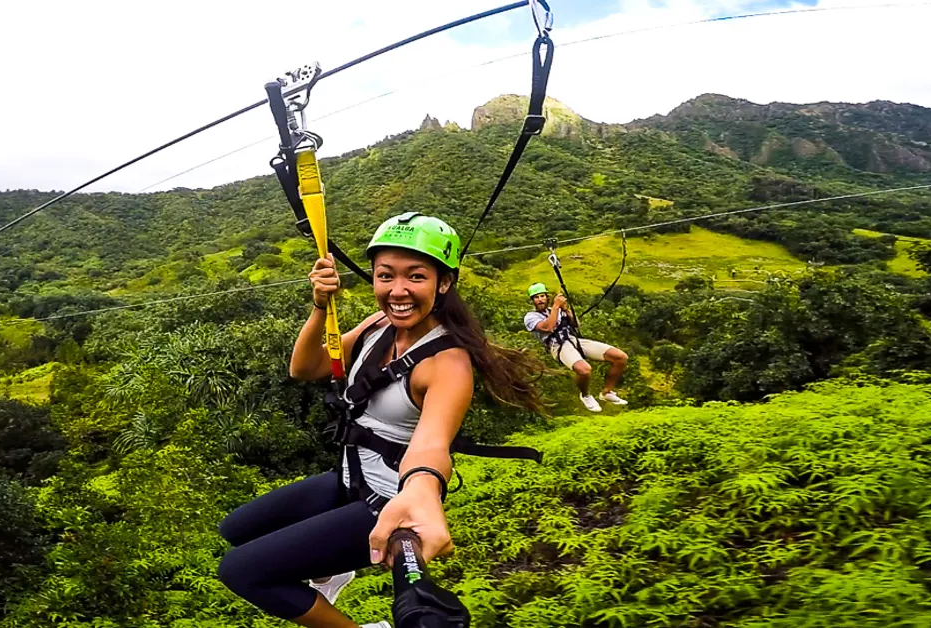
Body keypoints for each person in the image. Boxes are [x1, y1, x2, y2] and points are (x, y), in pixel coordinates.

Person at [216, 212, 545, 628]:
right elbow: (305, 368)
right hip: (351, 477)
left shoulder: (448, 364)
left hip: (388, 502)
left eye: (416, 277)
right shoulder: (378, 326)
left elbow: (432, 444)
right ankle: (331, 569)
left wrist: (423, 490)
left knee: (241, 571)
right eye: (385, 276)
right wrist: (319, 307)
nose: (398, 291)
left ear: (444, 283)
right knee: (236, 529)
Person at [524, 282, 628, 413]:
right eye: (536, 297)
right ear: (532, 301)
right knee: (584, 370)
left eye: (542, 296)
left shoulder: (555, 310)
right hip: (558, 346)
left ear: (547, 297)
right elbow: (548, 327)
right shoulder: (530, 317)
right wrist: (556, 306)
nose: (539, 300)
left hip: (574, 340)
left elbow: (576, 325)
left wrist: (566, 310)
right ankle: (585, 395)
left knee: (620, 357)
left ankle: (607, 392)